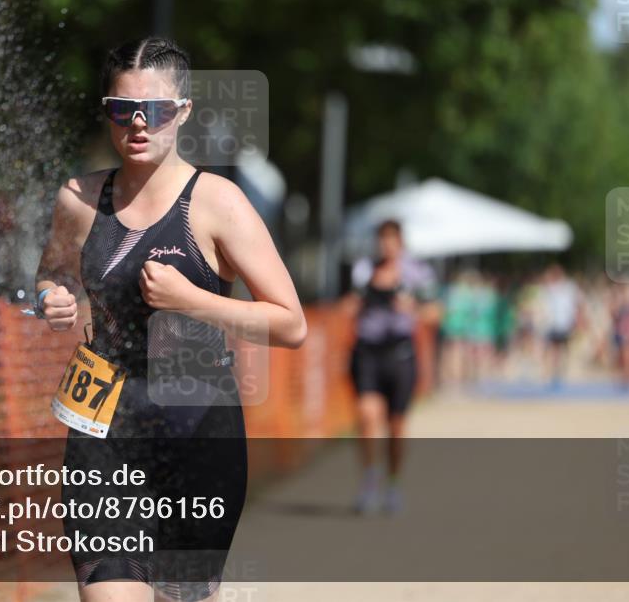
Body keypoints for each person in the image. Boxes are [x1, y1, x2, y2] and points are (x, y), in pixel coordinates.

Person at [34, 36, 306, 602]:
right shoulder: (78, 198)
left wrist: (191, 301)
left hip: (197, 430)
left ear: (183, 112)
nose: (137, 124)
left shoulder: (219, 203)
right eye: (121, 110)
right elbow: (55, 273)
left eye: (154, 111)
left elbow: (291, 324)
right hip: (103, 427)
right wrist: (52, 296)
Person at [342, 219, 440, 514]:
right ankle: (370, 482)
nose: (386, 246)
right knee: (367, 416)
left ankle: (393, 484)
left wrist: (413, 308)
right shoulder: (363, 271)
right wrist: (355, 303)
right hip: (368, 352)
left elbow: (436, 314)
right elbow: (347, 305)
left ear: (400, 242)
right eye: (381, 240)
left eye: (391, 240)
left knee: (396, 427)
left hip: (400, 354)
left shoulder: (418, 273)